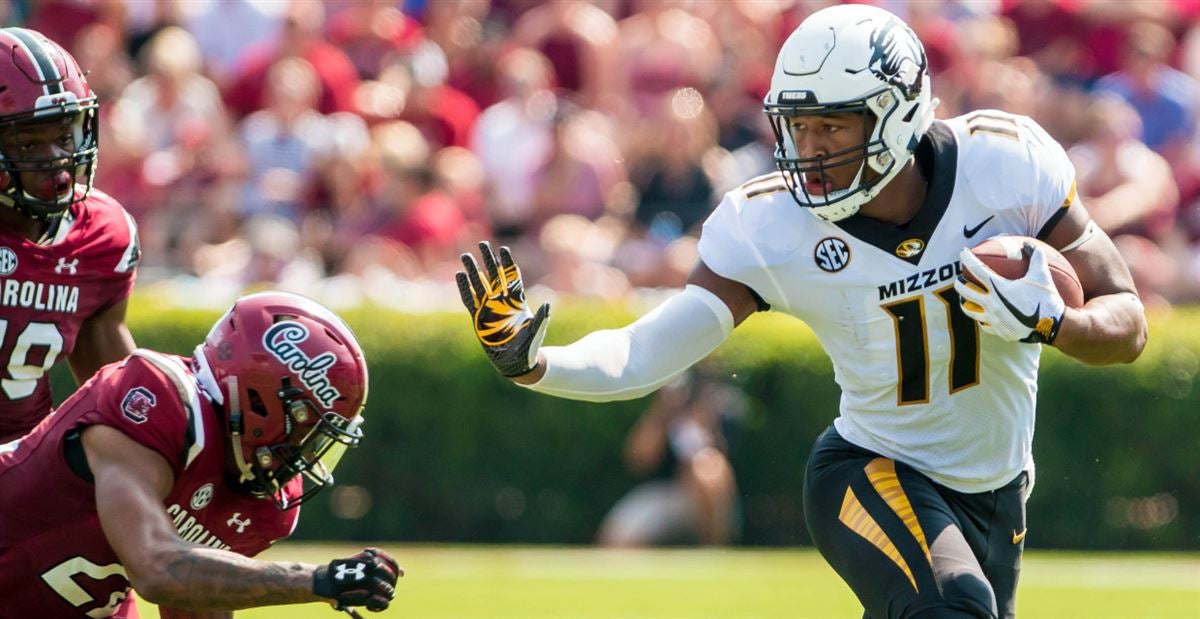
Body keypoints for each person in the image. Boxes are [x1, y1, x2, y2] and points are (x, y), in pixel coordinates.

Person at [457, 5, 1147, 619]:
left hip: (999, 487)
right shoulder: (771, 226)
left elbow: (1128, 323)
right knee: (953, 606)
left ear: (899, 111)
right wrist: (539, 361)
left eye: (831, 126)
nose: (810, 151)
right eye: (798, 126)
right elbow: (650, 349)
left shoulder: (1005, 163)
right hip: (873, 466)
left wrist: (1054, 321)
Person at [0, 291, 400, 617]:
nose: (305, 453)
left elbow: (193, 602)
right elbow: (156, 567)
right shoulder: (156, 399)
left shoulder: (260, 503)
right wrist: (315, 579)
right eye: (305, 427)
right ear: (260, 398)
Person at [0, 27, 140, 444]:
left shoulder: (99, 235)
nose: (57, 161)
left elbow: (117, 396)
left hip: (23, 470)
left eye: (64, 137)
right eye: (28, 144)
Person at [597, 369, 743, 548]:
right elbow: (639, 461)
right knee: (619, 538)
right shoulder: (664, 410)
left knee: (707, 468)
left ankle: (713, 551)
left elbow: (721, 463)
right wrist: (662, 414)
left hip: (710, 500)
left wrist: (705, 423)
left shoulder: (724, 405)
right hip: (666, 492)